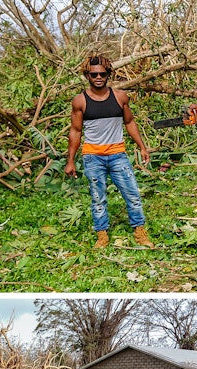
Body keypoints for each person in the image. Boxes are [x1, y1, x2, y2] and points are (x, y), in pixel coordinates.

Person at [64, 54, 154, 249]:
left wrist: (142, 147)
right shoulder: (80, 101)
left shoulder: (120, 97)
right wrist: (70, 160)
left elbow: (129, 122)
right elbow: (76, 131)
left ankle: (140, 232)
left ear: (108, 75)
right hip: (93, 157)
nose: (98, 77)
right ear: (87, 75)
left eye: (102, 74)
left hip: (117, 155)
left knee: (132, 193)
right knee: (98, 197)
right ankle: (102, 234)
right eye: (94, 74)